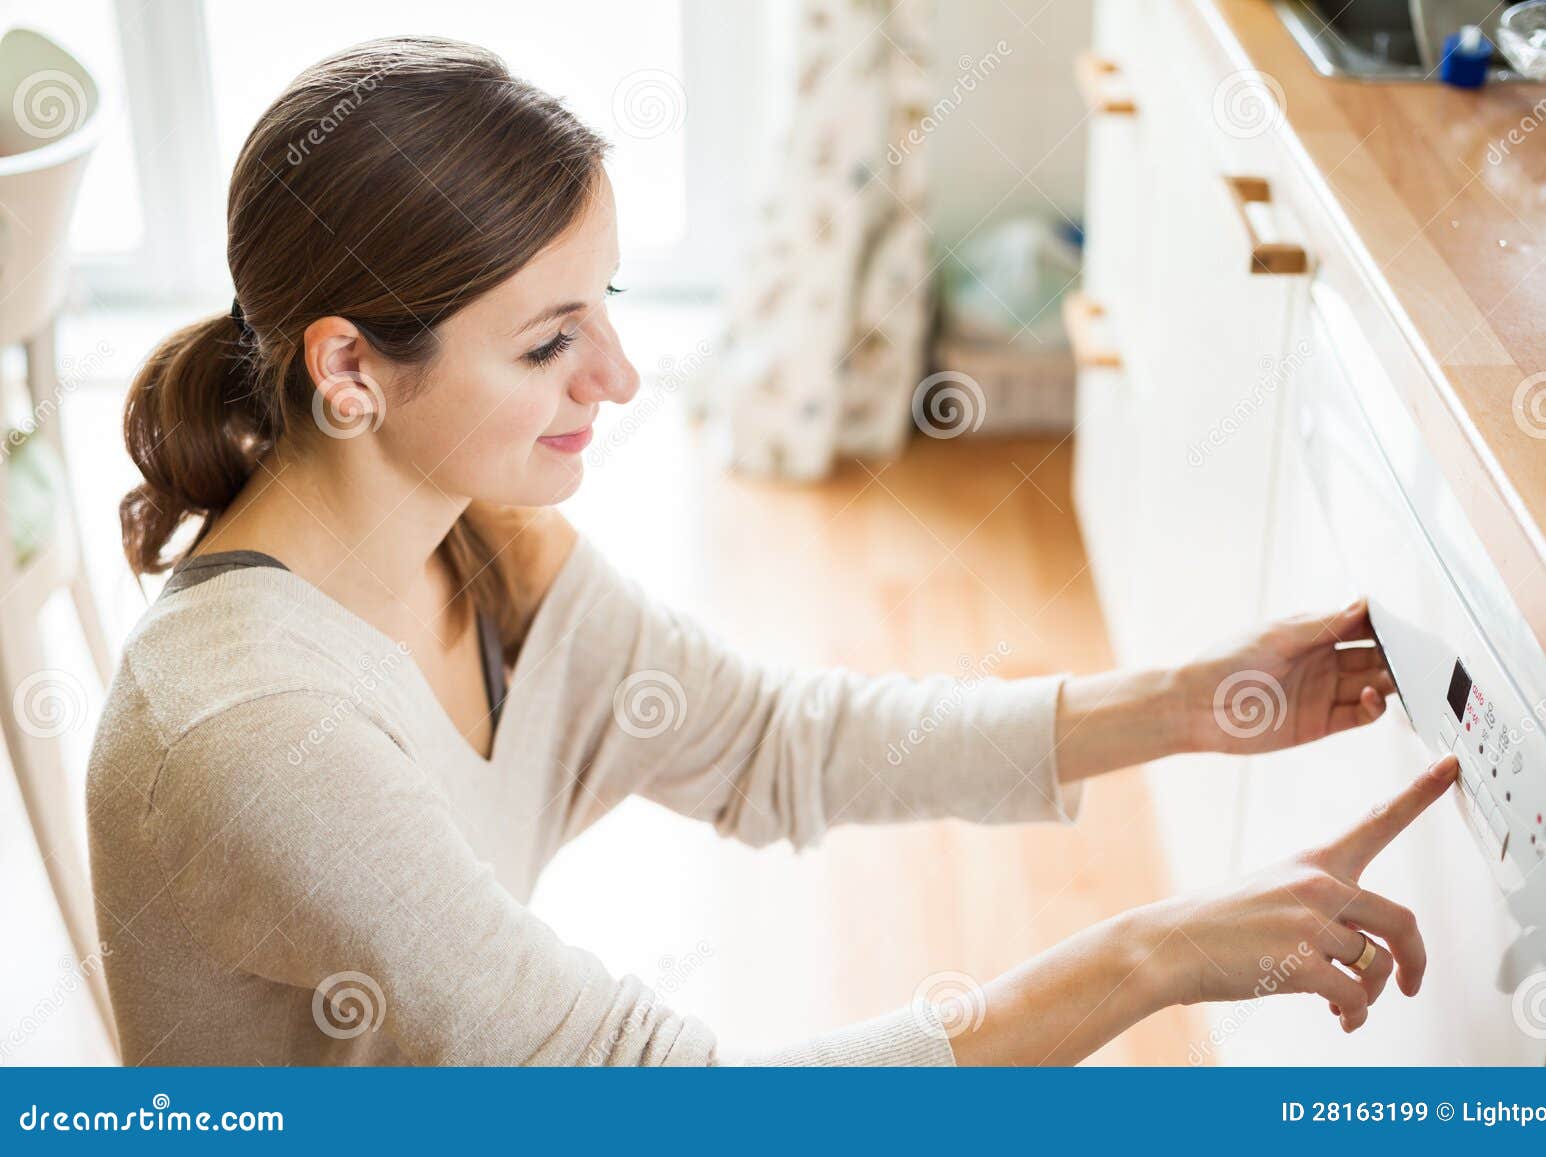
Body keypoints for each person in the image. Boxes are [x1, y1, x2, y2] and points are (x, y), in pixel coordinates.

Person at [87, 36, 1453, 1067]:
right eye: (549, 339)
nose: (618, 378)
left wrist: (1181, 702)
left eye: (604, 306)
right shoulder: (255, 725)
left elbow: (771, 741)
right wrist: (1154, 949)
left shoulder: (482, 546)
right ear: (351, 368)